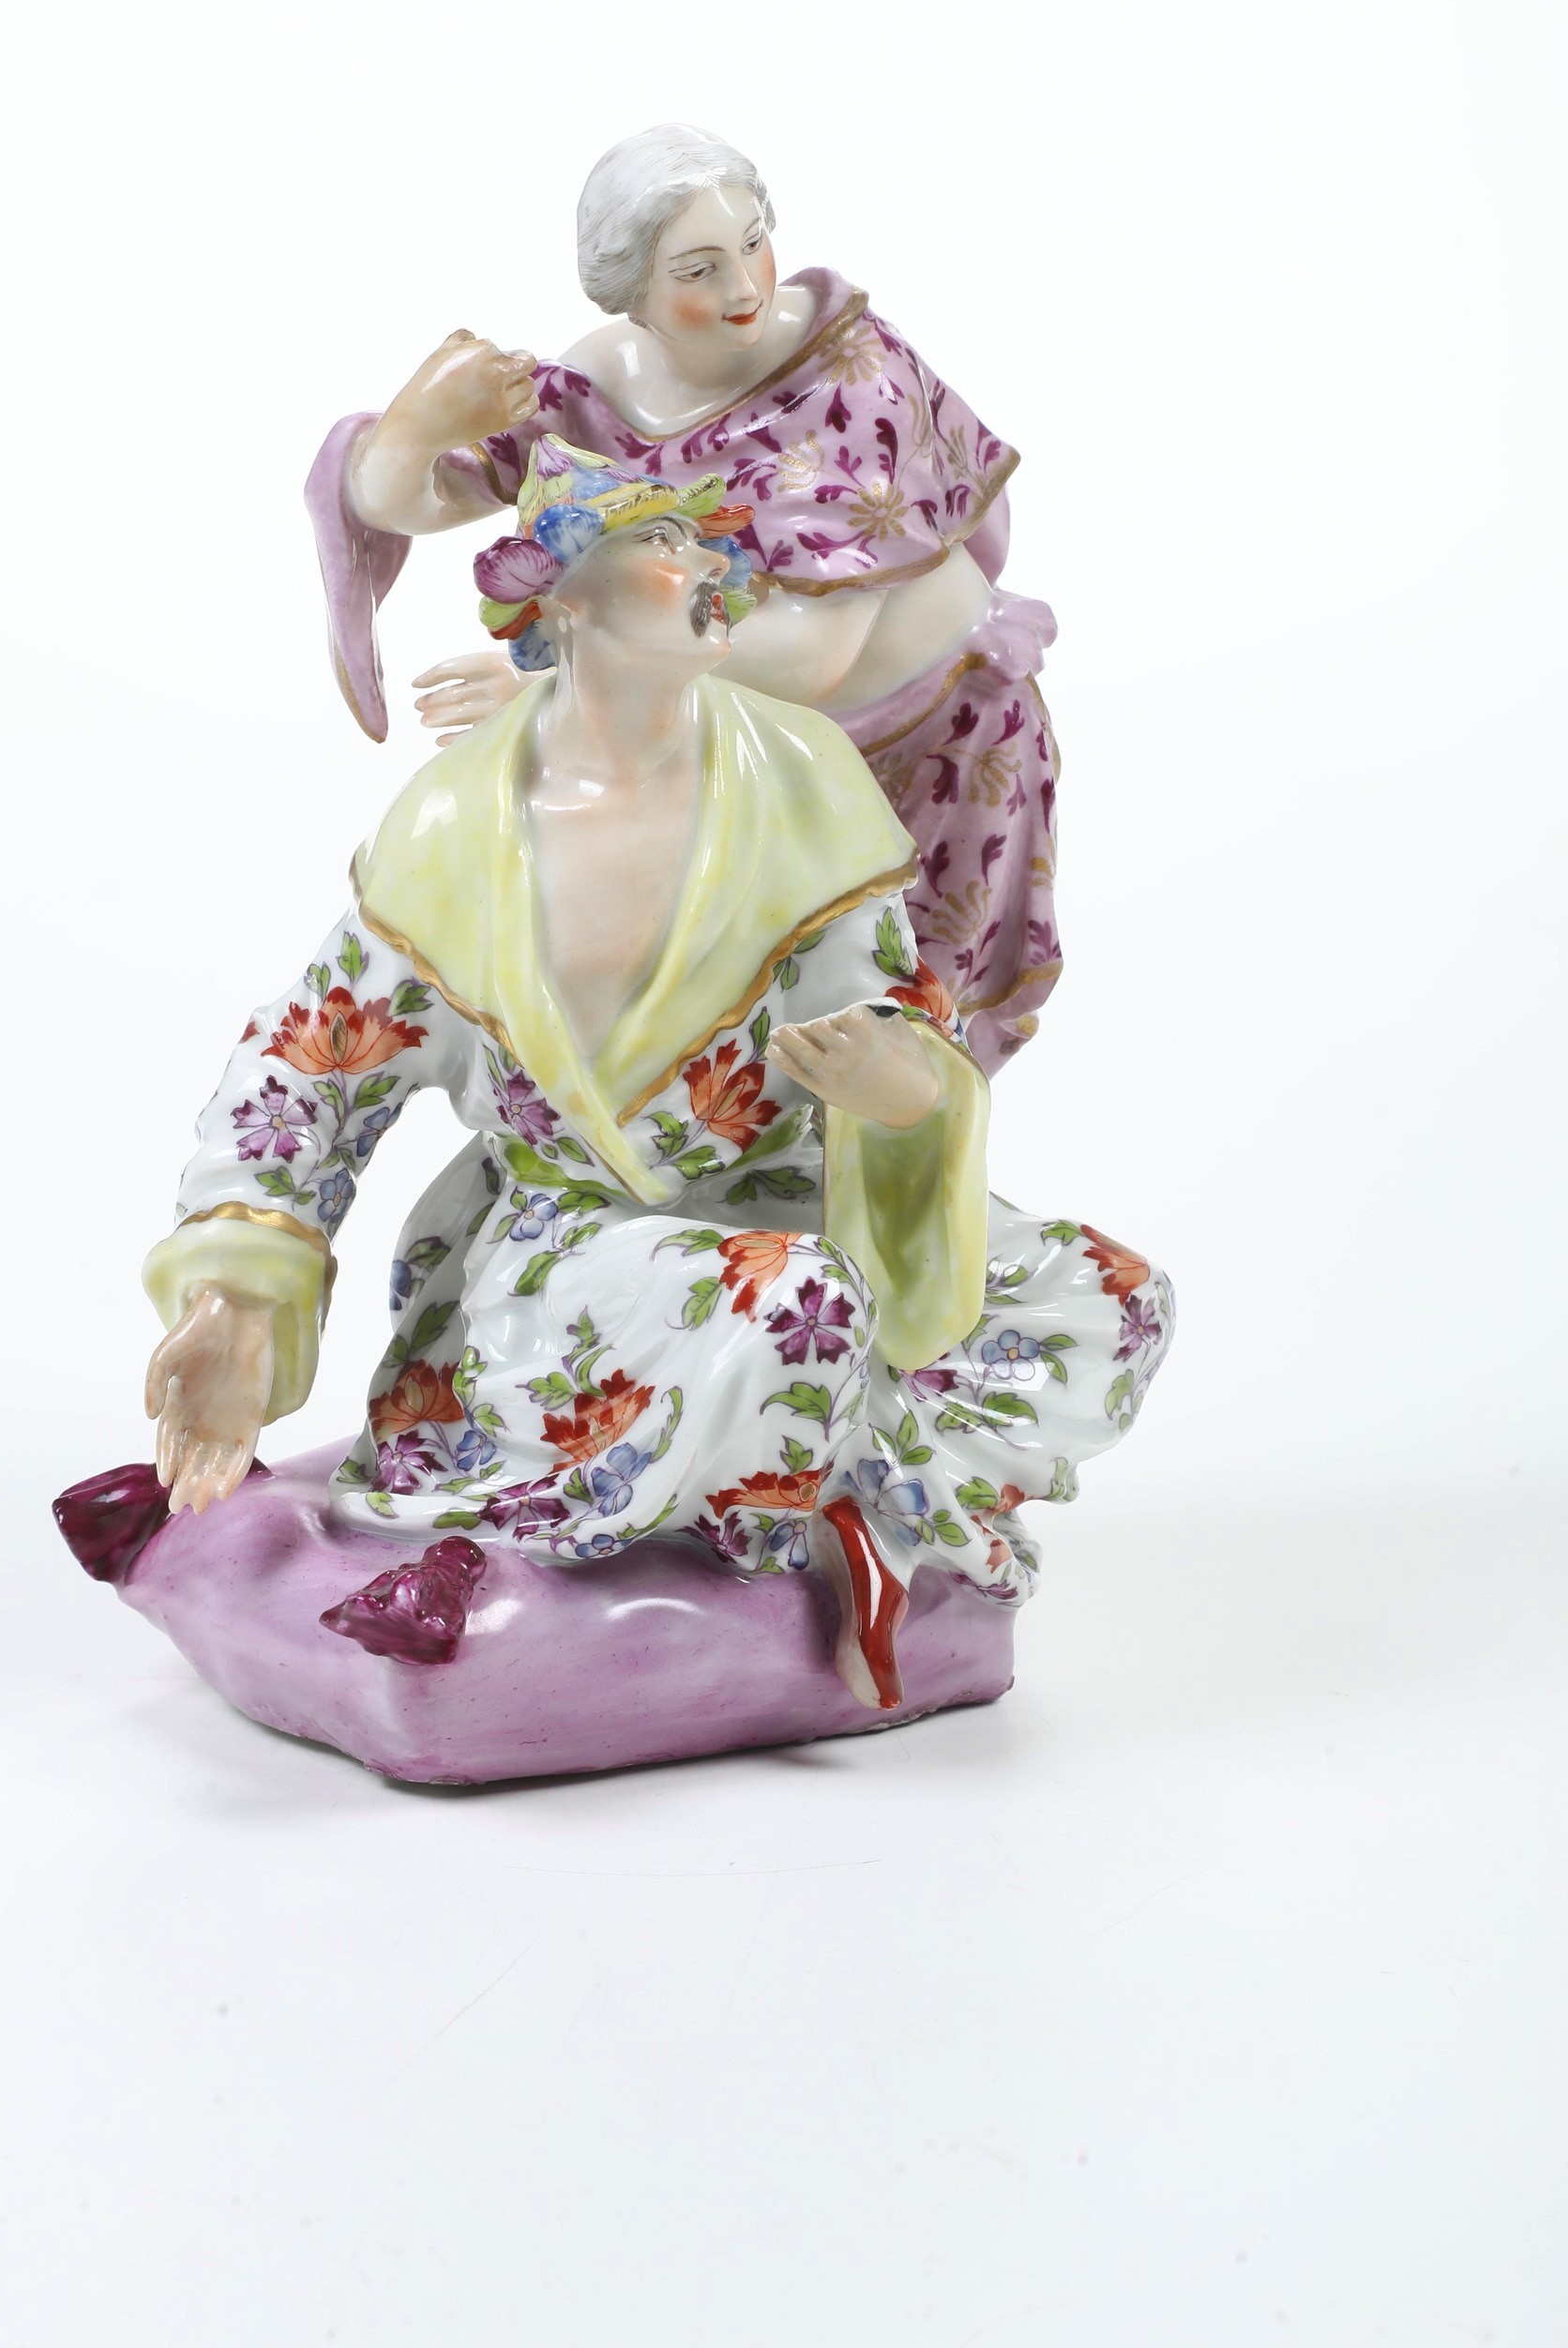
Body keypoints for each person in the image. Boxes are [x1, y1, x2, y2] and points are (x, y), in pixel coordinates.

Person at [148, 442, 1169, 1713]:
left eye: (706, 539)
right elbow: (312, 1063)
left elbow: (884, 1001)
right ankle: (765, 1517)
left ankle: (877, 1504)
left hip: (783, 1196)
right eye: (660, 543)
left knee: (1106, 1298)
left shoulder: (797, 775)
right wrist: (237, 1290)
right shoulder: (456, 830)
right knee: (794, 1307)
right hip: (571, 1247)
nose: (711, 566)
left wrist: (907, 1091)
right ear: (562, 598)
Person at [307, 125, 1063, 1074]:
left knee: (889, 1037)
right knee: (729, 1029)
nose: (744, 287)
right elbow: (415, 500)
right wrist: (419, 428)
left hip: (932, 749)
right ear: (632, 292)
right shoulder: (603, 382)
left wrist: (554, 696)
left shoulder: (848, 378)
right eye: (700, 270)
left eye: (753, 242)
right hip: (739, 754)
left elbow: (810, 652)